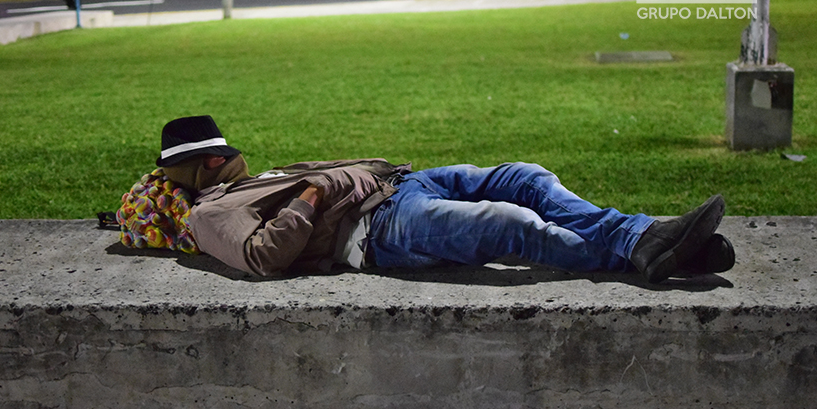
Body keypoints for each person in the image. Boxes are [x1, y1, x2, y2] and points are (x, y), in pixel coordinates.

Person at [146, 115, 734, 282]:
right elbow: (263, 256)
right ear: (204, 167)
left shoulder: (248, 182)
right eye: (222, 155)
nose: (234, 157)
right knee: (508, 224)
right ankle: (647, 248)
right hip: (376, 233)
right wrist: (313, 190)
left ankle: (643, 240)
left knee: (524, 177)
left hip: (402, 185)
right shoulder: (209, 212)